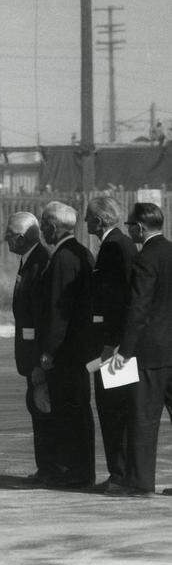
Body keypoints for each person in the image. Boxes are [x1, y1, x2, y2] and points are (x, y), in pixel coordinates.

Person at [111, 203, 172, 496]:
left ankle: (141, 482)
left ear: (141, 227)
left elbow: (139, 308)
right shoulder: (171, 251)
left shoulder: (145, 258)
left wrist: (125, 349)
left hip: (149, 353)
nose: (129, 229)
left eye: (131, 225)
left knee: (143, 418)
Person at [36, 200, 96, 488]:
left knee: (68, 412)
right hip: (79, 350)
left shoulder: (62, 259)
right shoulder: (81, 253)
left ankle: (74, 472)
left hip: (66, 352)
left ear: (52, 227)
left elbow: (59, 311)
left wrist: (49, 351)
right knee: (77, 410)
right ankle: (79, 470)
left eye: (45, 224)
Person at [85, 195, 137, 492]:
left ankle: (121, 474)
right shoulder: (119, 244)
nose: (85, 222)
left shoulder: (114, 247)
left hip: (114, 346)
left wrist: (110, 344)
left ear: (100, 220)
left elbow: (117, 302)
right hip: (118, 342)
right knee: (114, 409)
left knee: (114, 409)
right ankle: (121, 472)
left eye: (89, 216)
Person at [4, 211, 51, 483]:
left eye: (9, 235)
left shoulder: (39, 262)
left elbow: (40, 317)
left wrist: (37, 363)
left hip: (35, 355)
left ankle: (49, 468)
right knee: (36, 407)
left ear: (21, 238)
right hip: (28, 351)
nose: (6, 239)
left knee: (43, 408)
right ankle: (44, 467)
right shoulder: (28, 260)